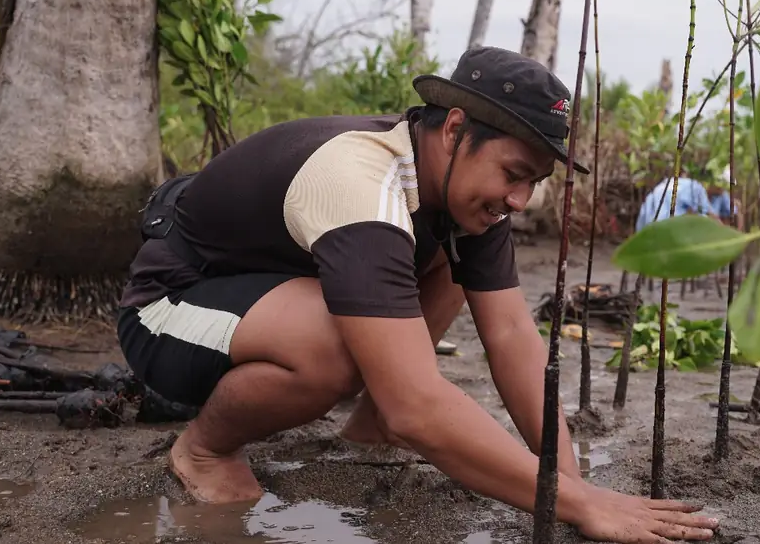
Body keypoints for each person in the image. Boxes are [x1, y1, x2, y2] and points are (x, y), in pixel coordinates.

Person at [116, 46, 719, 542]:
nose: (519, 201)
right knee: (336, 346)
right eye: (513, 174)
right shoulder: (364, 180)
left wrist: (569, 481)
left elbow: (512, 336)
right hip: (172, 308)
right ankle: (203, 452)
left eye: (534, 183)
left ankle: (367, 426)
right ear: (455, 129)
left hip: (266, 298)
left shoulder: (467, 201)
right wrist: (577, 504)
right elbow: (417, 405)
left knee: (448, 272)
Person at [635, 166, 715, 233]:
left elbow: (640, 224)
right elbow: (709, 216)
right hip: (673, 233)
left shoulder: (657, 189)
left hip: (652, 234)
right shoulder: (693, 185)